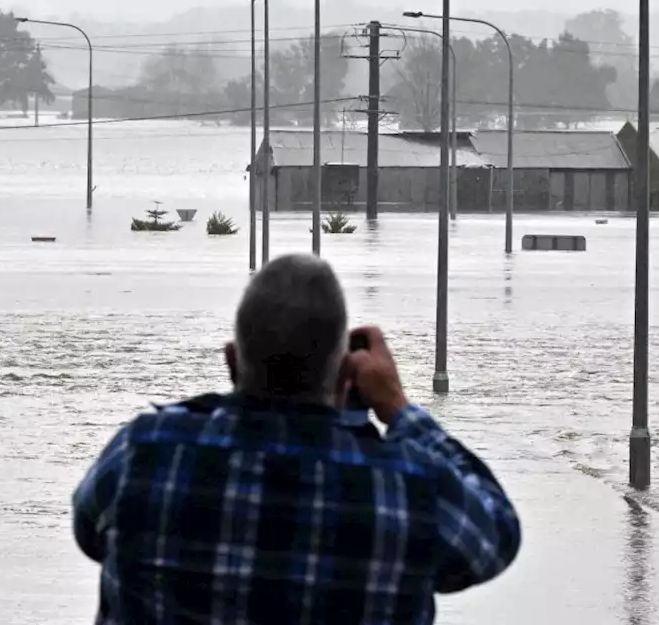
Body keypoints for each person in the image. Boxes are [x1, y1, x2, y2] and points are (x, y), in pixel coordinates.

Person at [72, 254, 521, 624]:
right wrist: (398, 407)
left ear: (232, 361)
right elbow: (496, 538)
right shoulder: (410, 491)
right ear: (348, 375)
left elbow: (90, 534)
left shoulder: (144, 453)